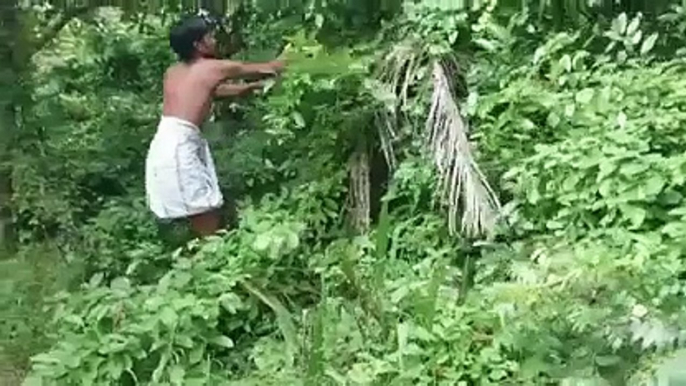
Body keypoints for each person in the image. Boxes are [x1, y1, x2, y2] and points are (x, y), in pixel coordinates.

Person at [145, 15, 284, 238]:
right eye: (209, 36)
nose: (215, 40)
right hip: (179, 145)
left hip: (166, 141)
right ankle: (213, 256)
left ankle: (208, 254)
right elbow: (269, 68)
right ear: (198, 45)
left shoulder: (173, 72)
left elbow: (205, 92)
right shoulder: (212, 68)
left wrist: (246, 89)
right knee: (203, 209)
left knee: (199, 206)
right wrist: (293, 53)